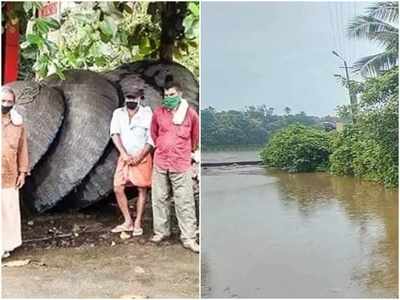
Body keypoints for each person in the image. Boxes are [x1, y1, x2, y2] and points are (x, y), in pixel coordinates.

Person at [150, 81, 199, 253]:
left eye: (171, 95)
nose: (168, 98)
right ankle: (161, 231)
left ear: (180, 94)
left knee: (184, 200)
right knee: (159, 197)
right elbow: (154, 134)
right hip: (161, 161)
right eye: (166, 95)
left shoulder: (191, 115)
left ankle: (189, 237)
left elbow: (195, 138)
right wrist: (164, 146)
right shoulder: (158, 113)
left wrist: (184, 152)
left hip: (181, 162)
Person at [110, 89, 153, 236]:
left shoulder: (147, 114)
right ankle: (127, 221)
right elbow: (115, 134)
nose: (131, 101)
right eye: (129, 98)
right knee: (117, 187)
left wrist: (141, 155)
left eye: (134, 98)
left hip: (142, 156)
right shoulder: (118, 113)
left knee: (142, 189)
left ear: (140, 98)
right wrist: (123, 153)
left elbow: (151, 138)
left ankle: (138, 222)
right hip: (125, 157)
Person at [1, 87, 29, 258]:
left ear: (14, 104)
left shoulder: (18, 124)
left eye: (9, 102)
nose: (5, 104)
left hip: (9, 174)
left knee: (8, 209)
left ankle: (6, 245)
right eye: (3, 101)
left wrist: (23, 172)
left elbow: (23, 150)